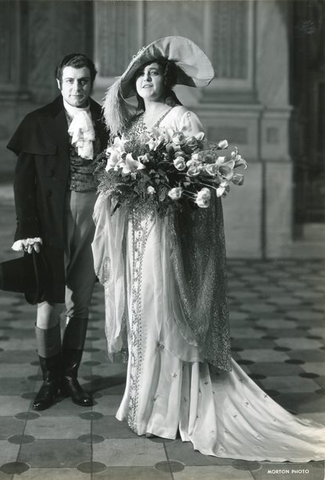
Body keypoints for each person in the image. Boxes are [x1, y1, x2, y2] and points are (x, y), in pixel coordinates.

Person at [92, 36, 325, 461]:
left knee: (165, 311)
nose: (146, 78)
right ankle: (142, 403)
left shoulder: (183, 119)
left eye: (155, 71)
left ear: (168, 79)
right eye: (141, 73)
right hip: (137, 234)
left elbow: (202, 184)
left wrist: (168, 191)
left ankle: (170, 410)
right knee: (142, 312)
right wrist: (121, 190)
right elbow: (117, 179)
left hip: (169, 236)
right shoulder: (132, 127)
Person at [7, 53, 109, 411]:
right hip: (51, 221)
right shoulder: (38, 121)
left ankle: (70, 375)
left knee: (80, 302)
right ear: (59, 83)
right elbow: (24, 184)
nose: (77, 87)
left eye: (83, 80)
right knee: (50, 303)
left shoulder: (106, 118)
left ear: (91, 81)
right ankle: (50, 378)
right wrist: (28, 228)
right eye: (70, 80)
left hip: (94, 218)